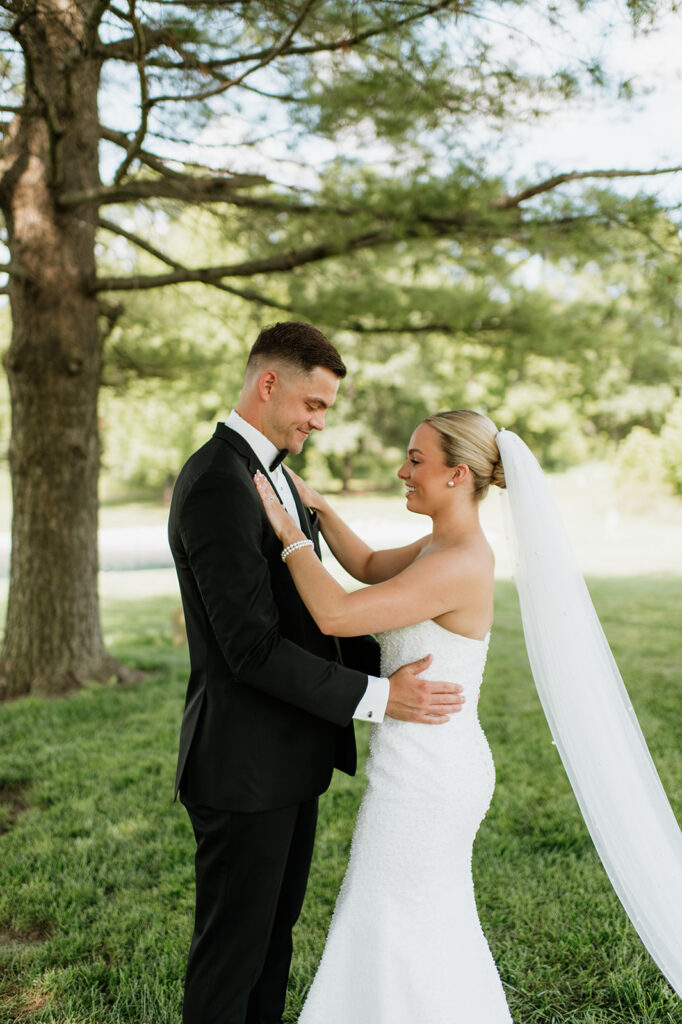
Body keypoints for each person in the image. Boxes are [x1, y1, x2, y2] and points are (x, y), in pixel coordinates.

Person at [255, 408, 682, 1020]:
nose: (402, 471)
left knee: (392, 916)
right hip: (422, 760)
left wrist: (288, 533)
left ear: (458, 475)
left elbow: (338, 615)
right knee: (413, 918)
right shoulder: (443, 544)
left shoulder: (459, 562)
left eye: (416, 461)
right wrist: (318, 507)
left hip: (428, 776)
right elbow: (371, 568)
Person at [167, 322, 465, 1024]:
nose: (319, 421)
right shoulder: (216, 483)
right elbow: (251, 650)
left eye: (327, 409)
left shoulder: (277, 479)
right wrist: (382, 697)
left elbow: (312, 612)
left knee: (273, 949)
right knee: (228, 967)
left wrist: (396, 656)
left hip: (289, 758)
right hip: (242, 767)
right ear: (268, 384)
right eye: (314, 404)